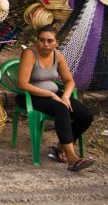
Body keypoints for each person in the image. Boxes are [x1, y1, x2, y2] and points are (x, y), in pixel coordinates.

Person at [17, 26, 95, 171]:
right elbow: (22, 84)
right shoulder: (29, 54)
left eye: (49, 41)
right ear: (37, 41)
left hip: (55, 94)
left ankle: (61, 146)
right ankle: (72, 159)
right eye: (41, 40)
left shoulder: (57, 55)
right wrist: (51, 95)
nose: (45, 44)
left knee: (86, 116)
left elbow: (70, 81)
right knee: (61, 109)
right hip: (31, 96)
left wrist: (65, 96)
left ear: (56, 43)